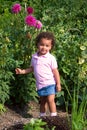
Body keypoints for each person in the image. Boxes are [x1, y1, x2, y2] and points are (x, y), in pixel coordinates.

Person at [15, 31, 61, 117]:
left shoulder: (51, 58)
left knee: (50, 100)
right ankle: (42, 117)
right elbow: (32, 68)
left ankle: (54, 118)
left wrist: (58, 84)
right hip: (40, 85)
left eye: (47, 46)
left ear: (51, 47)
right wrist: (22, 71)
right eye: (42, 44)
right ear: (37, 44)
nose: (44, 47)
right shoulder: (34, 57)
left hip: (50, 83)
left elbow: (55, 71)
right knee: (42, 102)